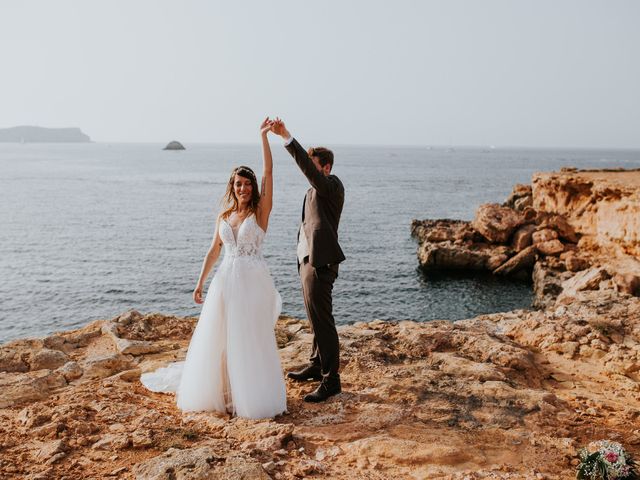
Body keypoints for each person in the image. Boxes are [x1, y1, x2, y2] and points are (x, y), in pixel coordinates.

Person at [141, 118, 287, 419]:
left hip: (253, 281)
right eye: (238, 184)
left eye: (247, 184)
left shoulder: (260, 212)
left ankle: (252, 395)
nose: (243, 187)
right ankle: (224, 390)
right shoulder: (224, 214)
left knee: (250, 337)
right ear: (232, 187)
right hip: (224, 281)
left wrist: (264, 138)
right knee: (220, 337)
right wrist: (200, 283)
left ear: (253, 187)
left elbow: (269, 171)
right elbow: (214, 250)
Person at [270, 118, 345, 403]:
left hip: (321, 263)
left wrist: (287, 137)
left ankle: (331, 380)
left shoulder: (332, 186)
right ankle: (317, 364)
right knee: (314, 318)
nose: (309, 171)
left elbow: (309, 171)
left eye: (314, 165)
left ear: (325, 167)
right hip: (307, 260)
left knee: (323, 321)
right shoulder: (312, 191)